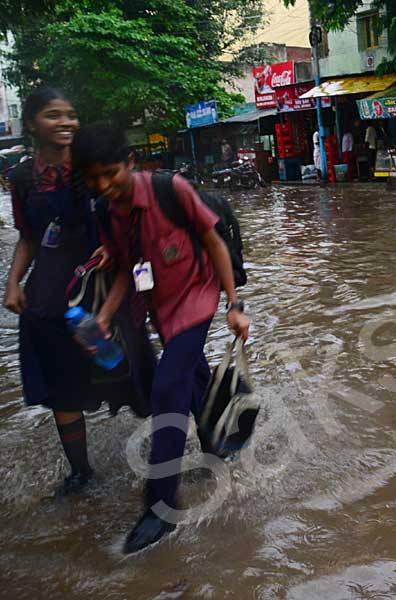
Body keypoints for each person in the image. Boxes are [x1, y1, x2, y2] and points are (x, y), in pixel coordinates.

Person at [73, 122, 251, 553]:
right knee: (189, 376)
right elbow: (121, 270)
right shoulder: (106, 212)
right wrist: (103, 317)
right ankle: (219, 442)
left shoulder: (171, 190)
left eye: (109, 173)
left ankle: (161, 506)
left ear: (129, 163)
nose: (102, 184)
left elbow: (213, 243)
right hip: (158, 308)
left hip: (197, 297)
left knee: (167, 387)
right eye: (92, 177)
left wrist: (233, 304)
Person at [3, 88, 105, 495]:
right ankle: (81, 474)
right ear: (31, 123)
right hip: (48, 298)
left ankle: (179, 451)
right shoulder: (22, 178)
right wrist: (13, 282)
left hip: (95, 290)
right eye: (53, 115)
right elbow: (27, 238)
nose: (66, 122)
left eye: (71, 114)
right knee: (63, 388)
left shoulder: (91, 166)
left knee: (123, 367)